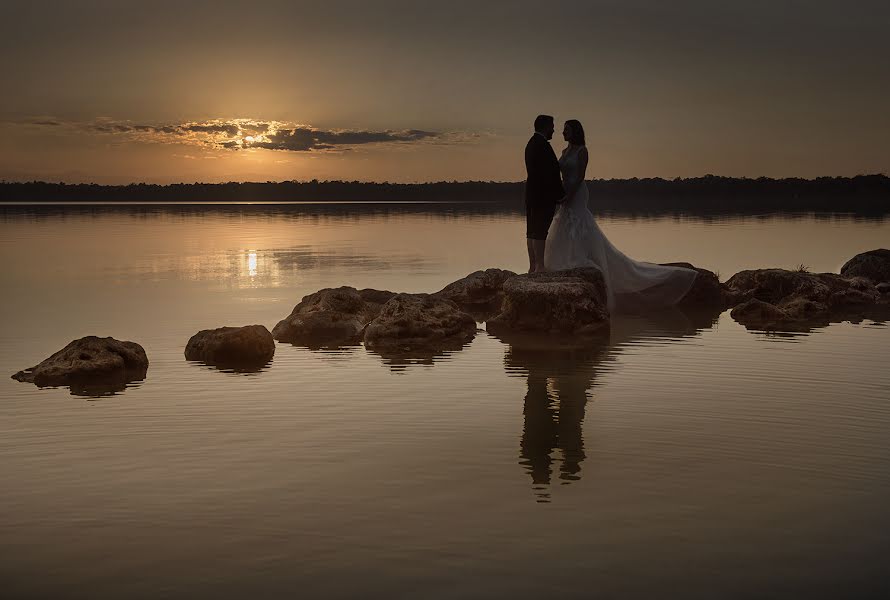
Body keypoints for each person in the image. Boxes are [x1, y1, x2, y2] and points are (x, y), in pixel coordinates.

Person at [543, 119, 697, 311]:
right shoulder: (564, 152)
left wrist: (569, 195)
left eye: (567, 129)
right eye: (563, 130)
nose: (563, 132)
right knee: (563, 223)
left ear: (575, 131)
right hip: (565, 191)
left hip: (577, 191)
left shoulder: (582, 151)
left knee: (578, 222)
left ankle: (580, 258)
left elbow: (580, 176)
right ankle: (565, 261)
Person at [524, 115, 565, 273]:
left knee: (532, 230)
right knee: (540, 230)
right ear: (545, 126)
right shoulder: (541, 145)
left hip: (532, 194)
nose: (553, 130)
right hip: (542, 196)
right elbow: (551, 174)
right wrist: (560, 195)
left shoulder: (531, 143)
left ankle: (533, 266)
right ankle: (540, 266)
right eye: (552, 126)